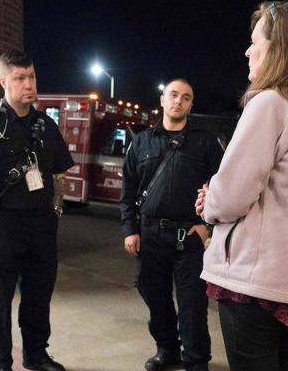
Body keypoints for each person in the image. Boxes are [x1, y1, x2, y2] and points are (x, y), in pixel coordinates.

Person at [195, 1, 288, 371]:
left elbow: (229, 199)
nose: (248, 50)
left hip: (255, 281)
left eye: (255, 41)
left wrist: (209, 199)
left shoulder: (269, 104)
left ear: (280, 48)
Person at [0, 50, 73, 371]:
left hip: (40, 225)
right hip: (3, 225)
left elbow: (59, 173)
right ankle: (0, 363)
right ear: (3, 81)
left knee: (38, 296)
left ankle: (36, 355)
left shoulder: (45, 125)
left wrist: (55, 208)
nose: (29, 84)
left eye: (32, 77)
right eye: (20, 78)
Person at [120, 78, 223, 371]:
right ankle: (167, 351)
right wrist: (130, 230)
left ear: (191, 105)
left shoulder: (205, 142)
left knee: (193, 306)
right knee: (156, 299)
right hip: (150, 236)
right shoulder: (141, 142)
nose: (178, 101)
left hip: (189, 238)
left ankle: (196, 360)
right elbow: (127, 191)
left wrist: (208, 226)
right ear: (163, 100)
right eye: (174, 95)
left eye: (186, 98)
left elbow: (225, 188)